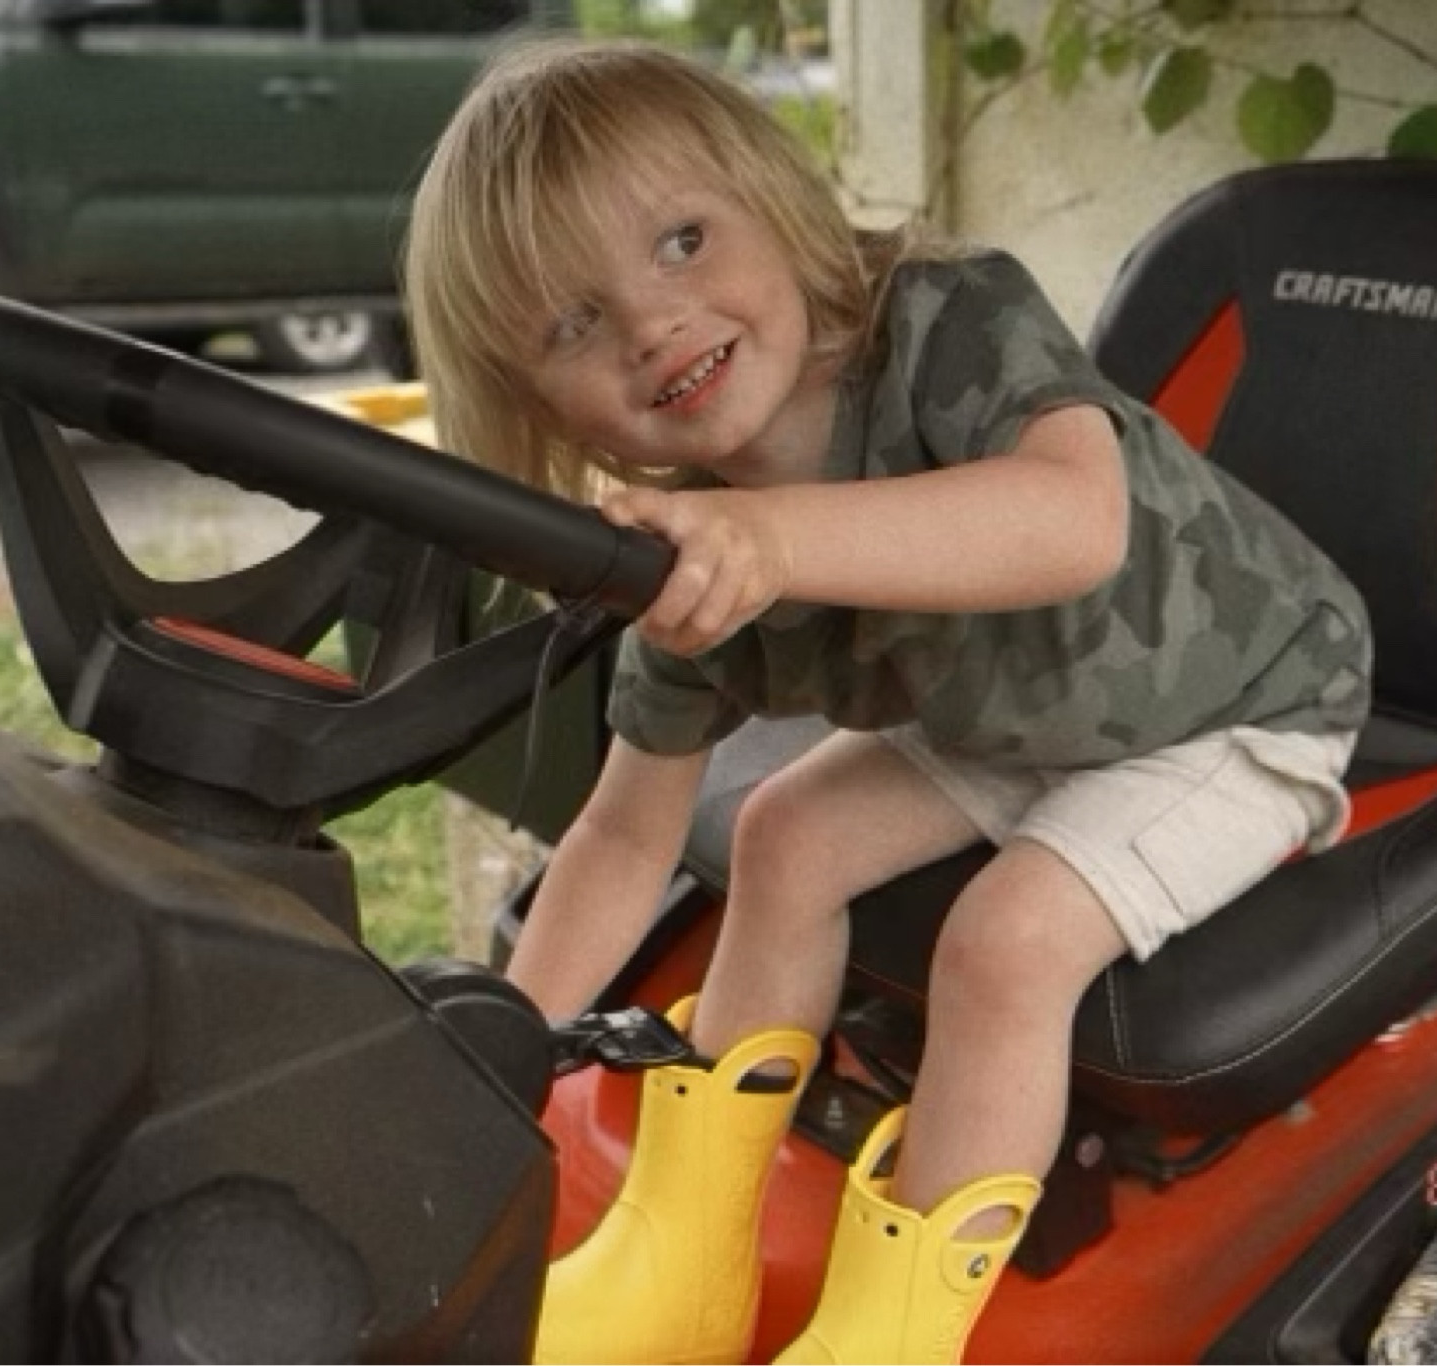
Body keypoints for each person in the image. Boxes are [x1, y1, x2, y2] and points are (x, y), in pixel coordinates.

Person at [404, 37, 1370, 1366]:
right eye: (573, 322)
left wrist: (779, 542)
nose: (651, 323)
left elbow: (1076, 521)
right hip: (1010, 713)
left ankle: (892, 1333)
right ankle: (684, 1254)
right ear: (541, 408)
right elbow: (623, 837)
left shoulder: (946, 319)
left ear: (772, 196)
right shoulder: (693, 550)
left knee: (1005, 944)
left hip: (1235, 702)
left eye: (683, 239)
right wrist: (482, 1067)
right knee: (779, 838)